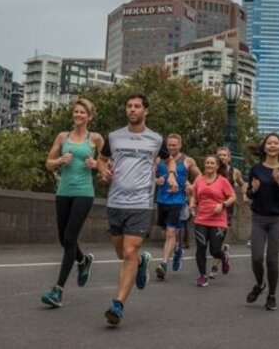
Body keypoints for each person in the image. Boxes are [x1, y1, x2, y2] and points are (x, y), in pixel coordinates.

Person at [96, 93, 173, 327]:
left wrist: (170, 174)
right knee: (121, 253)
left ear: (145, 111)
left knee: (130, 251)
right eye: (129, 106)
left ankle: (117, 304)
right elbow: (101, 159)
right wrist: (103, 170)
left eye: (137, 106)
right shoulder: (114, 137)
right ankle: (141, 263)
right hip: (116, 202)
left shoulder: (156, 139)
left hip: (141, 203)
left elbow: (169, 160)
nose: (132, 110)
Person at [40, 98, 104, 308]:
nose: (77, 115)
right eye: (76, 112)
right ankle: (83, 260)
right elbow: (48, 163)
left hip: (83, 192)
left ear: (89, 116)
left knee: (69, 237)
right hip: (63, 191)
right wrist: (59, 161)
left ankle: (57, 291)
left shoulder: (95, 139)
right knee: (63, 238)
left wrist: (96, 164)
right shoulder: (62, 136)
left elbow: (106, 163)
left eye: (82, 112)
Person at [245, 133, 279, 311]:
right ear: (264, 147)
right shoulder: (256, 169)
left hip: (277, 219)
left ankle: (272, 294)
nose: (272, 146)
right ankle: (260, 285)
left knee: (272, 259)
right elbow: (249, 194)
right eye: (269, 143)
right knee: (257, 258)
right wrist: (253, 190)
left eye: (276, 143)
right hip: (258, 218)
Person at [153, 133, 199, 281]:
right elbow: (148, 175)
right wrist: (156, 180)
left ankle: (164, 264)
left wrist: (191, 186)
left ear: (180, 145)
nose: (171, 147)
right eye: (169, 145)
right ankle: (178, 251)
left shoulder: (187, 160)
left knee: (170, 233)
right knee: (164, 232)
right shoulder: (159, 158)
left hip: (178, 201)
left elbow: (199, 176)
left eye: (174, 145)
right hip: (161, 199)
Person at [190, 154, 236, 287]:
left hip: (218, 220)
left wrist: (222, 205)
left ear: (217, 166)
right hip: (201, 219)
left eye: (212, 163)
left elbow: (233, 197)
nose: (209, 165)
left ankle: (224, 256)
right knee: (201, 247)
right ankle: (202, 276)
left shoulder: (222, 181)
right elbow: (194, 195)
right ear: (204, 164)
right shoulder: (199, 180)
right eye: (207, 163)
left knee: (214, 250)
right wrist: (192, 204)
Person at [210, 146, 248, 278]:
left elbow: (242, 183)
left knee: (219, 238)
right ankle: (223, 252)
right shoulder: (212, 169)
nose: (222, 157)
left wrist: (244, 194)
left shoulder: (234, 172)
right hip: (212, 207)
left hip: (227, 208)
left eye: (224, 155)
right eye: (219, 155)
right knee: (212, 240)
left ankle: (215, 266)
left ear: (229, 157)